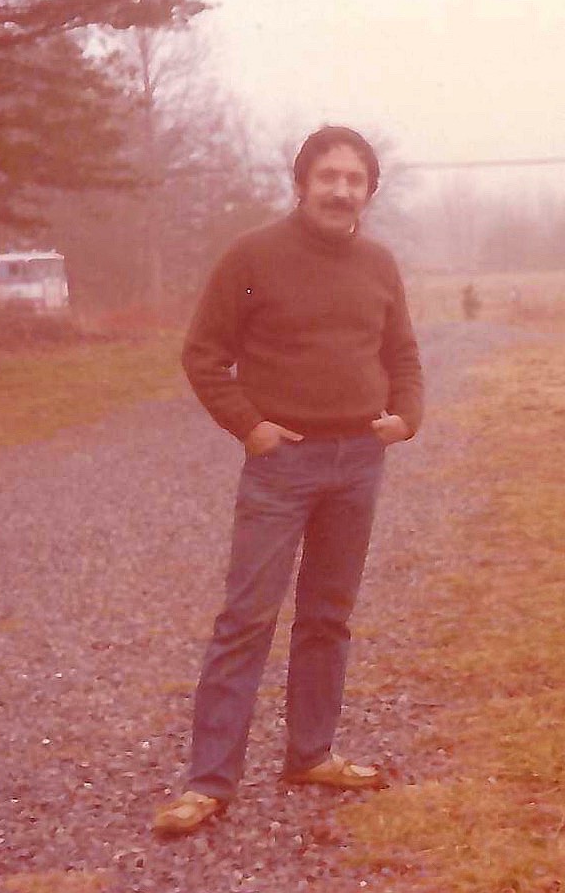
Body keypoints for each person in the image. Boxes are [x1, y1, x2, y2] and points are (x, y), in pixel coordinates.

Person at [153, 125, 424, 836]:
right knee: (246, 620)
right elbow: (203, 354)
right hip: (282, 464)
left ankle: (311, 754)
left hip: (357, 463)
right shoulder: (252, 256)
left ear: (369, 191)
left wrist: (409, 416)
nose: (341, 190)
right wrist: (250, 427)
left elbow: (403, 353)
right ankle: (207, 784)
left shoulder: (379, 264)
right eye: (328, 176)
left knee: (328, 618)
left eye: (355, 179)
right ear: (301, 183)